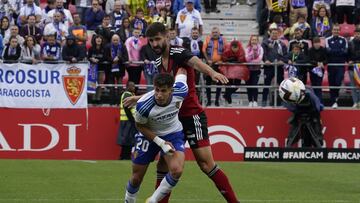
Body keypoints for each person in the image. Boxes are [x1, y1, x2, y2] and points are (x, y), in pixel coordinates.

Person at [124, 22, 239, 203]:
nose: (154, 44)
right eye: (151, 40)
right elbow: (162, 90)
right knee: (165, 163)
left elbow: (195, 62)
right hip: (172, 118)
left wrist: (211, 73)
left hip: (191, 115)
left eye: (158, 39)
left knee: (206, 164)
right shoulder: (156, 61)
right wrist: (139, 98)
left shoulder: (178, 53)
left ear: (167, 37)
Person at [124, 69, 189, 203]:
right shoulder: (143, 106)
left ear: (171, 90)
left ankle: (153, 200)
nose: (159, 95)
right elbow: (140, 126)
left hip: (173, 134)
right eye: (156, 90)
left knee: (177, 171)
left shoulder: (181, 90)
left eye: (163, 91)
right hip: (148, 135)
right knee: (136, 178)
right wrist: (160, 142)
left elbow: (182, 70)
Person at [261, 28, 287, 106]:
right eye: (273, 33)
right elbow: (263, 53)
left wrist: (282, 61)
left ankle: (284, 102)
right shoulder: (265, 43)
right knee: (266, 85)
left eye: (276, 33)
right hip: (269, 67)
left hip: (279, 67)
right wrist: (266, 60)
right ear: (270, 33)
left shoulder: (282, 44)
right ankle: (264, 102)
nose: (274, 34)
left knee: (282, 86)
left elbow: (285, 55)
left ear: (278, 34)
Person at [202, 27, 227, 106]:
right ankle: (209, 101)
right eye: (213, 32)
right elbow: (203, 50)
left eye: (216, 32)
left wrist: (222, 60)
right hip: (210, 64)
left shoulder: (223, 39)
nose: (215, 34)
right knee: (208, 83)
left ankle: (217, 101)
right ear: (211, 33)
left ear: (219, 33)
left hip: (219, 65)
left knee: (219, 83)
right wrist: (207, 60)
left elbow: (226, 50)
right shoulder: (208, 39)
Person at [325, 24, 348, 108]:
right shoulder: (327, 40)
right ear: (332, 30)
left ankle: (336, 96)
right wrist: (339, 51)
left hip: (340, 65)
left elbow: (345, 52)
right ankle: (333, 101)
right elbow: (328, 51)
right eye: (334, 30)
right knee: (332, 83)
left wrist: (334, 51)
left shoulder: (344, 39)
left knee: (338, 82)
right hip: (331, 65)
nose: (336, 31)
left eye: (337, 30)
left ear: (339, 31)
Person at [221, 40, 248, 106]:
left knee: (237, 85)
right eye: (233, 48)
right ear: (231, 47)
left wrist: (234, 60)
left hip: (238, 70)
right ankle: (229, 102)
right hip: (228, 70)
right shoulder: (227, 49)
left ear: (238, 47)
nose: (235, 50)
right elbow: (223, 58)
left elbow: (241, 59)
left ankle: (226, 95)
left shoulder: (241, 50)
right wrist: (229, 60)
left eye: (236, 48)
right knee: (228, 85)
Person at [118, 81, 137, 160]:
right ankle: (124, 156)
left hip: (126, 120)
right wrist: (132, 120)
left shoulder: (130, 95)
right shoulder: (127, 94)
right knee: (127, 140)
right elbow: (127, 108)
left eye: (134, 86)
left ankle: (124, 156)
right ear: (127, 86)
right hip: (127, 120)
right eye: (132, 86)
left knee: (127, 139)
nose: (134, 87)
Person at [88, 34, 108, 103]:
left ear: (102, 40)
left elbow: (105, 57)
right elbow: (88, 57)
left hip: (101, 68)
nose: (99, 39)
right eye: (97, 38)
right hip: (93, 68)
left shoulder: (104, 49)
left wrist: (98, 60)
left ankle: (98, 98)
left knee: (99, 84)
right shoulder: (91, 48)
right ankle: (92, 98)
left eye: (100, 38)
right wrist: (92, 59)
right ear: (94, 40)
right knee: (92, 83)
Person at [245, 34, 263, 107]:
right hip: (248, 70)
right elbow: (246, 59)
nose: (254, 41)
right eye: (252, 40)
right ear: (250, 40)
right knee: (248, 86)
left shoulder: (260, 48)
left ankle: (255, 101)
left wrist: (251, 60)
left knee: (254, 85)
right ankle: (250, 101)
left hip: (256, 70)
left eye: (255, 40)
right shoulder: (247, 48)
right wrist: (253, 52)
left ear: (257, 41)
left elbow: (259, 59)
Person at [308, 36, 327, 103]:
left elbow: (326, 59)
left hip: (320, 71)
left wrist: (322, 63)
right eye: (315, 43)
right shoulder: (310, 50)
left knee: (319, 85)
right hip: (312, 70)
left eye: (318, 42)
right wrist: (317, 63)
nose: (317, 44)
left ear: (320, 43)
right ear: (313, 43)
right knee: (314, 85)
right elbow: (309, 60)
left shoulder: (323, 49)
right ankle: (314, 101)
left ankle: (319, 102)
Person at [347, 28, 360, 108]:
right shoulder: (350, 43)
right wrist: (349, 60)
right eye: (356, 33)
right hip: (352, 68)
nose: (358, 35)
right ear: (354, 34)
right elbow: (347, 55)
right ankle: (355, 102)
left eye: (359, 34)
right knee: (353, 86)